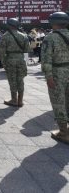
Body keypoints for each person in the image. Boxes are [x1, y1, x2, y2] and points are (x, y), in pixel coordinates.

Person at [41, 12, 69, 144]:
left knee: (58, 102)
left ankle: (64, 132)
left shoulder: (50, 38)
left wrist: (48, 76)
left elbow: (46, 59)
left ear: (52, 22)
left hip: (57, 72)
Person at [0, 18, 30, 107]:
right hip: (21, 60)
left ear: (9, 25)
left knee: (12, 80)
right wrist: (26, 63)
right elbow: (27, 51)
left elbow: (1, 52)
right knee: (20, 80)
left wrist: (4, 63)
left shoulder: (5, 36)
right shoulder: (24, 36)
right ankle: (20, 100)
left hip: (10, 60)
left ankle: (14, 100)